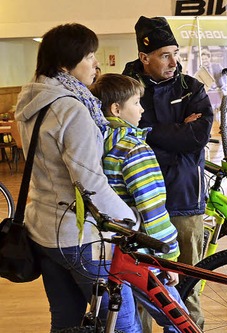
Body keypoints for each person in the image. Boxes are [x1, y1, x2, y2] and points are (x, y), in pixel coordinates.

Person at [13, 23, 141, 332]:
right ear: (64, 63)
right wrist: (130, 221)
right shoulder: (72, 109)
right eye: (89, 56)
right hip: (78, 236)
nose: (96, 64)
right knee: (123, 324)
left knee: (65, 320)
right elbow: (90, 184)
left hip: (41, 229)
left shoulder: (32, 101)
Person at [123, 16, 214, 330]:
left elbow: (198, 136)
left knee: (186, 288)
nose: (175, 61)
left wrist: (149, 133)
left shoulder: (192, 87)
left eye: (176, 53)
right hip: (136, 204)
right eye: (165, 55)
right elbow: (122, 134)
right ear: (144, 57)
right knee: (140, 290)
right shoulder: (124, 90)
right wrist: (176, 132)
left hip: (185, 200)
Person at [90, 73, 189, 332]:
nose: (142, 108)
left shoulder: (96, 143)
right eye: (136, 102)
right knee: (178, 319)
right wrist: (169, 257)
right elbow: (152, 209)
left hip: (107, 251)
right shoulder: (133, 148)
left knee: (126, 322)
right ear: (116, 109)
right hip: (140, 254)